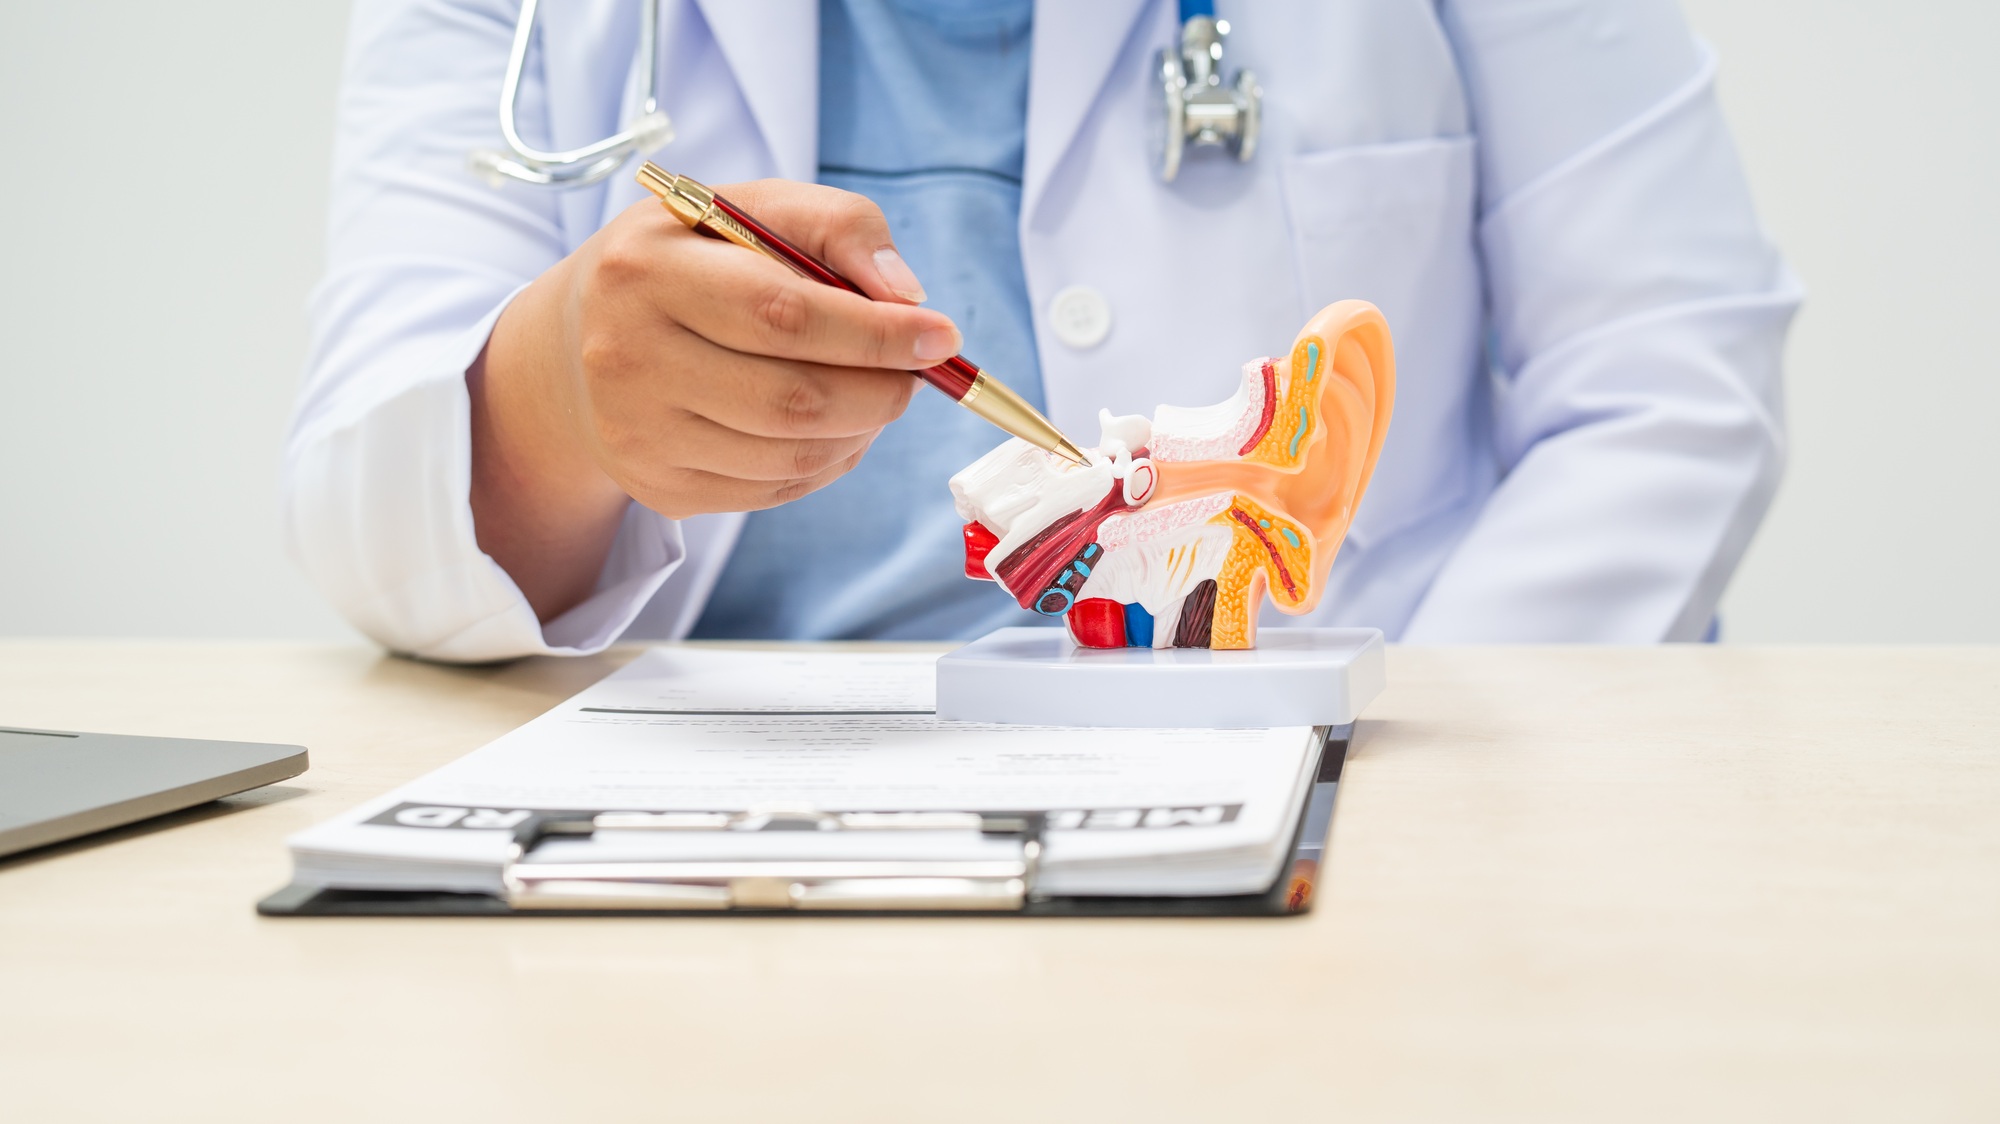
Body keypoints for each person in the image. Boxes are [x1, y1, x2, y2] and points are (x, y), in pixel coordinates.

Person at [287, 0, 1799, 662]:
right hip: (750, 833)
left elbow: (1666, 377)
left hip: (1348, 793)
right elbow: (376, 517)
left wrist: (1400, 764)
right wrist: (558, 402)